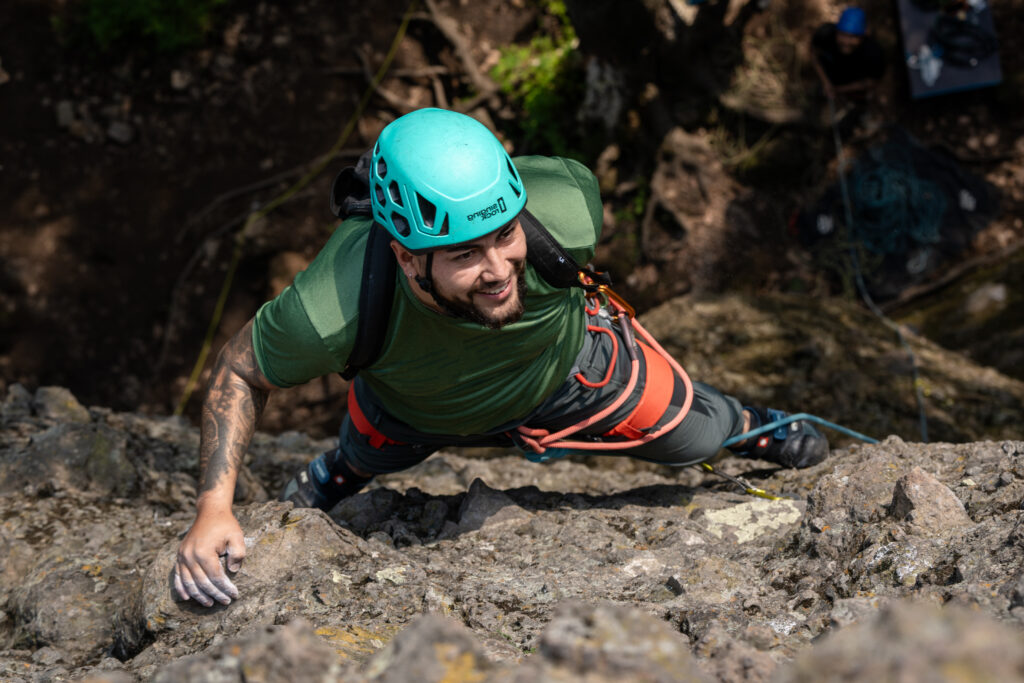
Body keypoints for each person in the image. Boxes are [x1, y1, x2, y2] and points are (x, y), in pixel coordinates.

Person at [173, 108, 829, 607]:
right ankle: (336, 472)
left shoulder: (566, 207)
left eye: (506, 235)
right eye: (464, 254)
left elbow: (544, 216)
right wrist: (213, 508)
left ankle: (757, 427)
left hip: (572, 372)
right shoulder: (337, 303)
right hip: (412, 408)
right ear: (406, 257)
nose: (498, 270)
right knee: (362, 456)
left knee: (699, 434)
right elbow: (237, 371)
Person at [811, 7, 886, 102]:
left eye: (852, 37)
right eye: (842, 34)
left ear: (863, 36)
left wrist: (838, 90)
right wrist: (826, 82)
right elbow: (814, 55)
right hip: (830, 77)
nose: (846, 41)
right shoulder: (825, 35)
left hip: (853, 85)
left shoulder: (873, 53)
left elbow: (871, 82)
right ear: (836, 31)